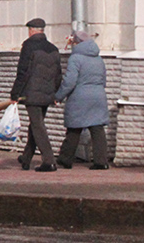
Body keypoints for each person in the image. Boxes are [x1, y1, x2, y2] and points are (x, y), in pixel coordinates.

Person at [10, 17, 62, 171]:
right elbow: (58, 74)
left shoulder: (28, 46)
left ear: (31, 30)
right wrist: (55, 93)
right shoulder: (53, 48)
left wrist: (15, 93)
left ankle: (49, 161)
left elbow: (22, 72)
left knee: (38, 126)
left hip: (31, 93)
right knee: (35, 124)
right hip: (47, 94)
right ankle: (26, 158)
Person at [55, 30, 110, 169]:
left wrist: (59, 96)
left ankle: (65, 159)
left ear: (76, 43)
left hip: (80, 96)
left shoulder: (76, 58)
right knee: (97, 129)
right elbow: (103, 79)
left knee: (74, 128)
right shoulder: (98, 58)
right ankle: (101, 162)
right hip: (98, 96)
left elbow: (70, 81)